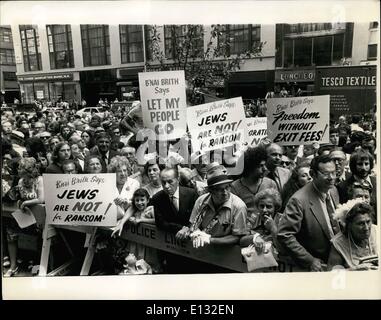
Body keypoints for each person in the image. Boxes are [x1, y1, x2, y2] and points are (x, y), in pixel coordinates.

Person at [277, 155, 341, 271]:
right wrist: (309, 260)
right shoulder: (298, 200)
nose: (331, 178)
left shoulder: (333, 190)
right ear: (313, 174)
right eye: (326, 173)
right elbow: (285, 235)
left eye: (334, 173)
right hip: (317, 264)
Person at [4, 158, 45, 277]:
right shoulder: (21, 180)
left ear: (29, 169)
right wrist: (18, 200)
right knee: (10, 232)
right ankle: (13, 266)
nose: (18, 170)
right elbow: (19, 197)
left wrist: (26, 203)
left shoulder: (39, 180)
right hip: (25, 214)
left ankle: (36, 264)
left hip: (37, 215)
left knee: (38, 235)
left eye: (21, 168)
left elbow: (41, 199)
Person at [328, 201, 377, 271]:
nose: (366, 228)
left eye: (368, 222)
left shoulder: (377, 231)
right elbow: (331, 274)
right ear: (349, 225)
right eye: (361, 223)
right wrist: (353, 270)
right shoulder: (339, 244)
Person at [231, 146, 277, 216]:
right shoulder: (235, 187)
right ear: (251, 167)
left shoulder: (271, 184)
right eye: (260, 166)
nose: (265, 169)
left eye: (265, 165)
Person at [337, 149, 377, 223]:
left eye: (366, 164)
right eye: (360, 164)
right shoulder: (342, 187)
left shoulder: (377, 182)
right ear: (353, 165)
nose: (364, 168)